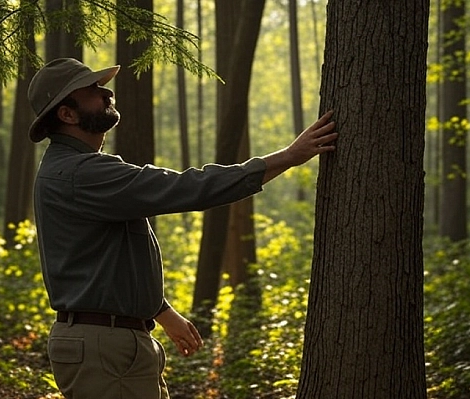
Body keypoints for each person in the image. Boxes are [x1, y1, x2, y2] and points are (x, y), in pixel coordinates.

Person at [27, 58, 338, 399]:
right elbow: (186, 187)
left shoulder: (78, 172)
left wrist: (160, 310)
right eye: (92, 91)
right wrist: (287, 157)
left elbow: (108, 258)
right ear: (67, 115)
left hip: (112, 343)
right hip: (106, 348)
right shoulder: (81, 174)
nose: (107, 93)